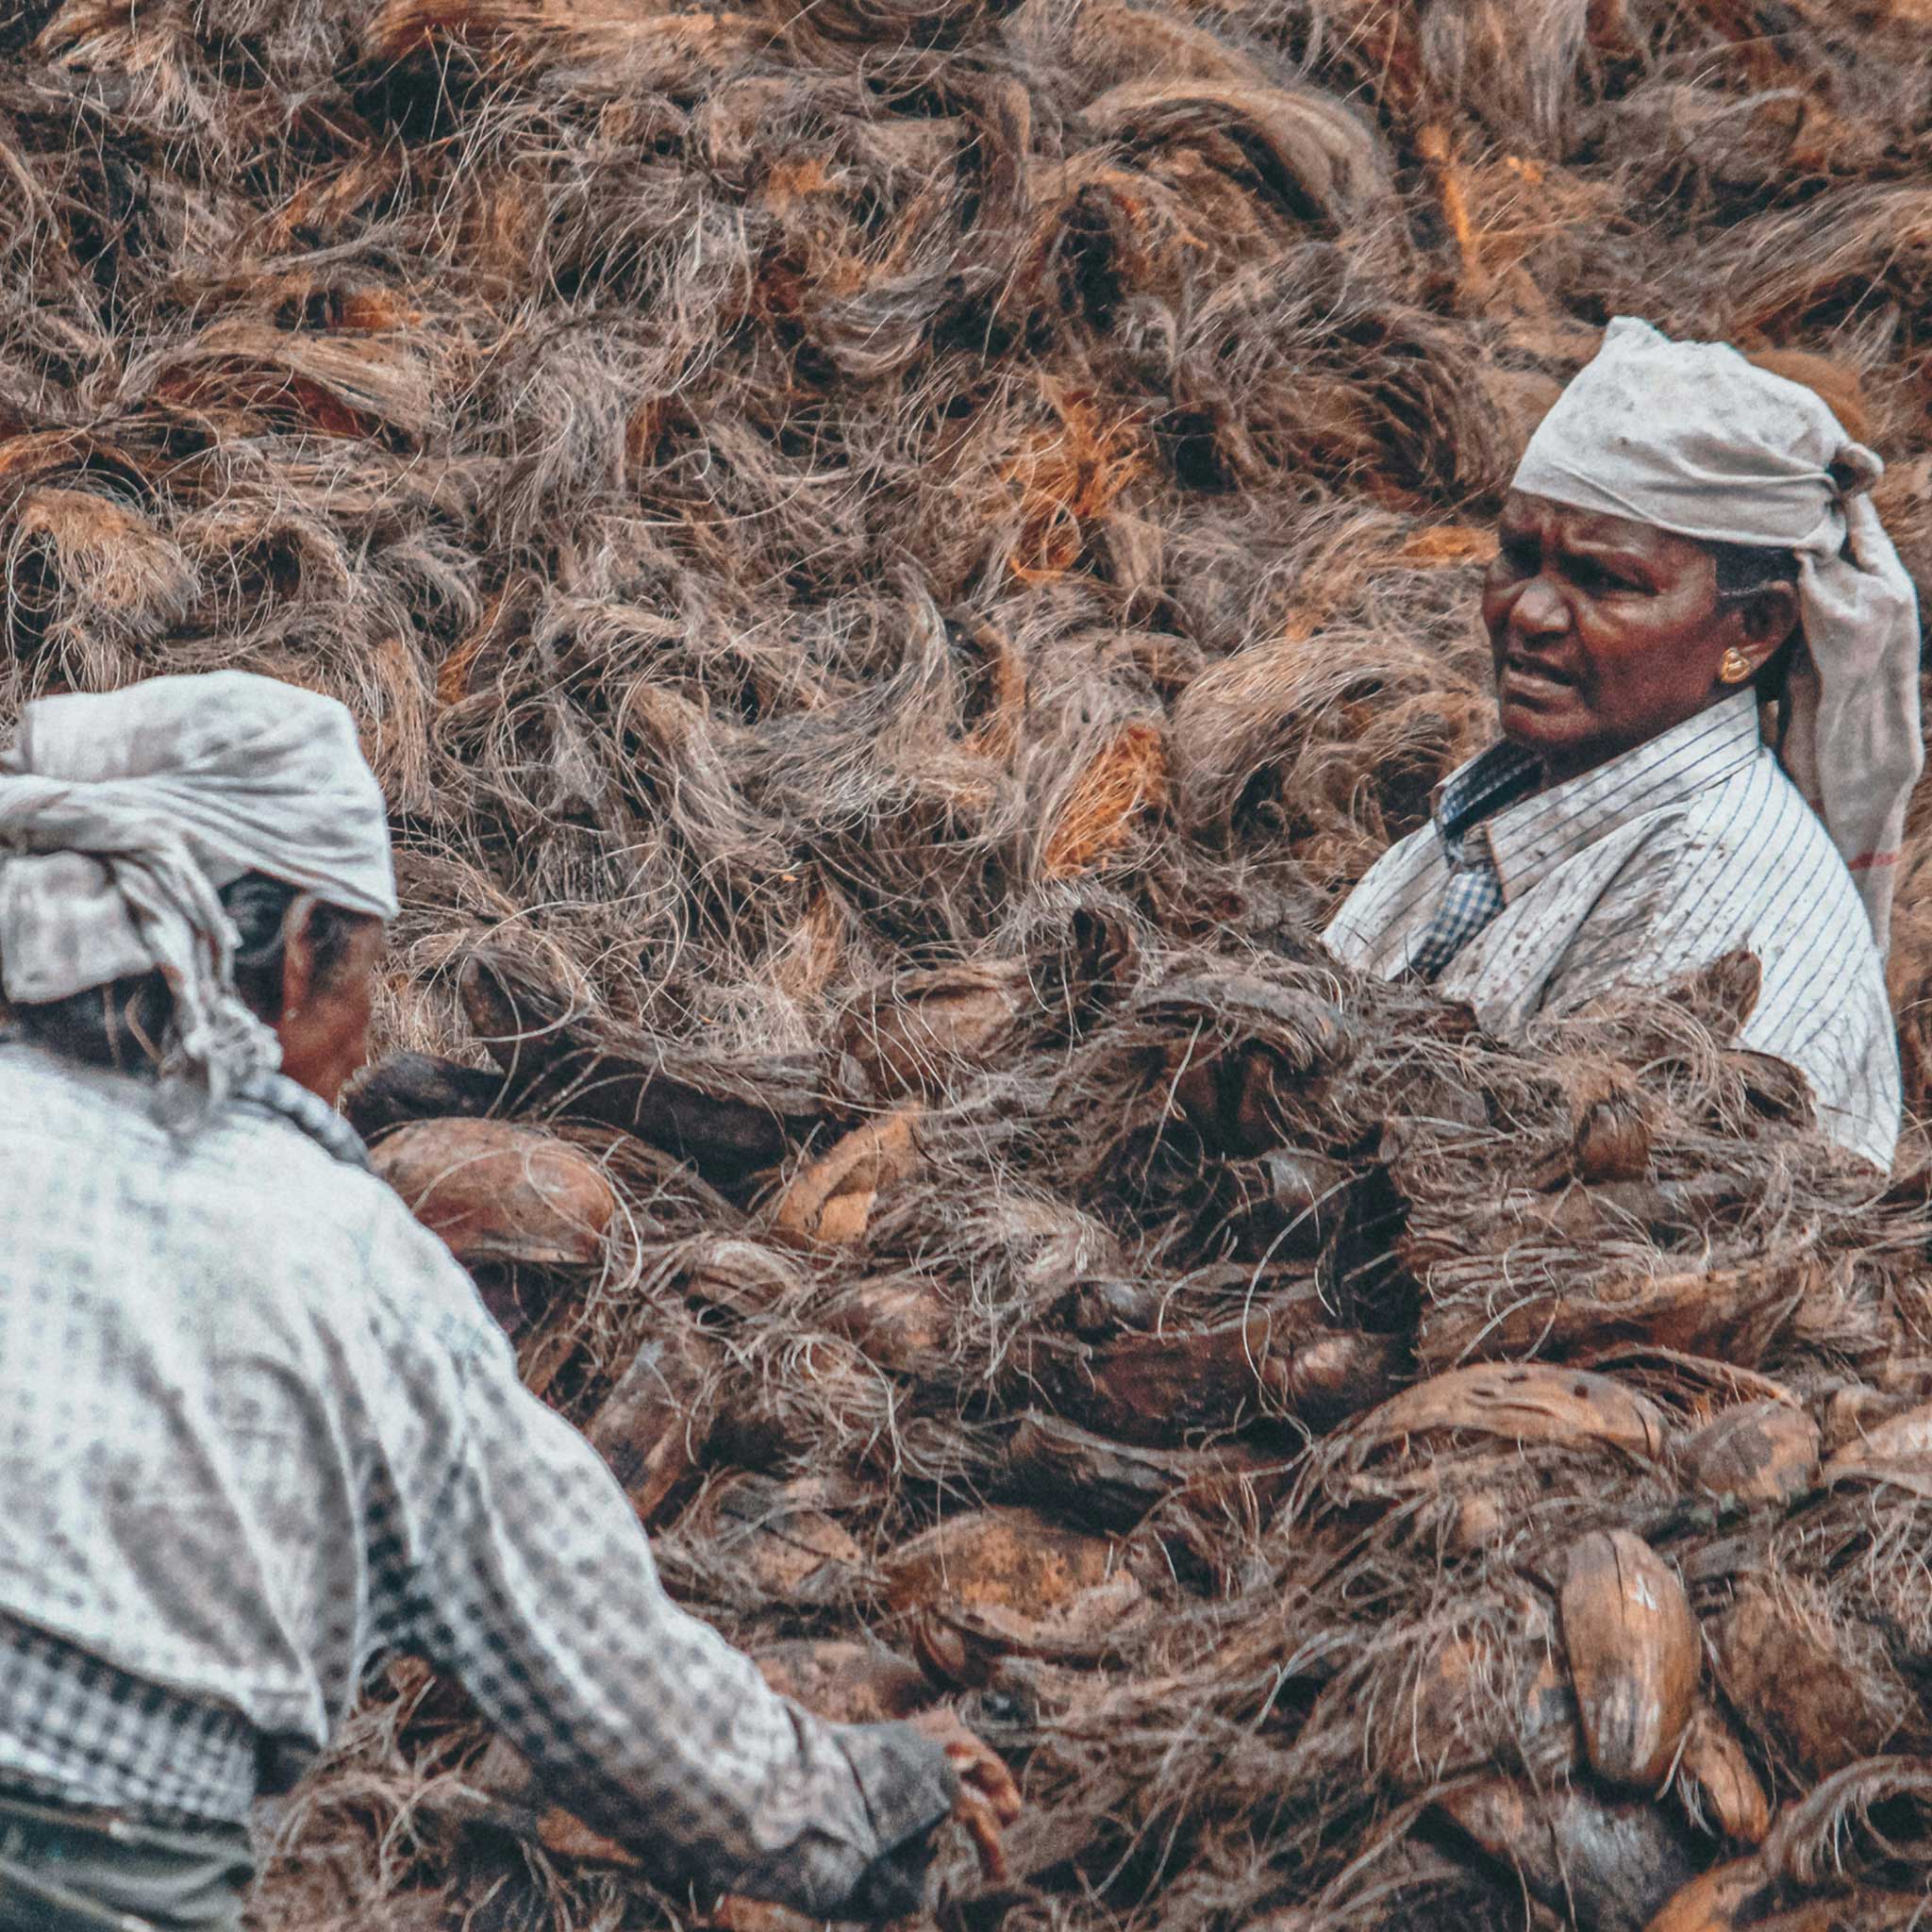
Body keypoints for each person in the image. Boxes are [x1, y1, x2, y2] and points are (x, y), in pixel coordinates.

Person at [0, 671, 1019, 1932]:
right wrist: (868, 1800)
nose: (369, 1039)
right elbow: (603, 1684)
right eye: (368, 969)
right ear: (303, 945)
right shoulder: (355, 1269)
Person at [1324, 319, 1924, 1170]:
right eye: (1519, 555)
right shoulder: (1504, 803)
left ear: (1752, 632)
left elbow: (1557, 1228)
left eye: (1605, 580)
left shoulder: (1711, 891)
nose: (1528, 612)